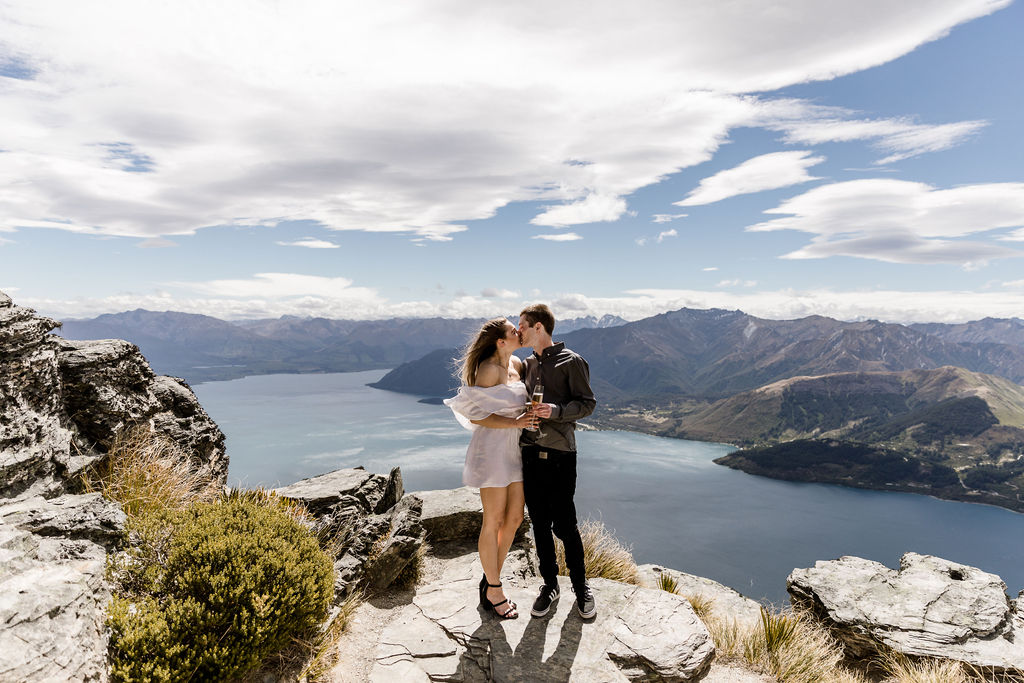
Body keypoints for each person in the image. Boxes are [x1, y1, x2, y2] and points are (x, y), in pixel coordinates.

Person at [444, 317, 537, 619]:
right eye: (513, 331)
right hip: (492, 450)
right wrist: (515, 421)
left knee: (513, 519)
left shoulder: (518, 365)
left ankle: (489, 579)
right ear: (500, 341)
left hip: (515, 449)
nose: (518, 332)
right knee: (493, 520)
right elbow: (476, 415)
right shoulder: (488, 370)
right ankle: (494, 588)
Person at [518, 304, 598, 619]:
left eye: (522, 325)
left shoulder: (572, 361)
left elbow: (588, 403)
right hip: (529, 452)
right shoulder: (525, 364)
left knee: (565, 524)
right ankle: (550, 585)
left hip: (561, 454)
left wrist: (556, 411)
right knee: (538, 523)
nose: (518, 331)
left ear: (539, 327)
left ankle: (581, 588)